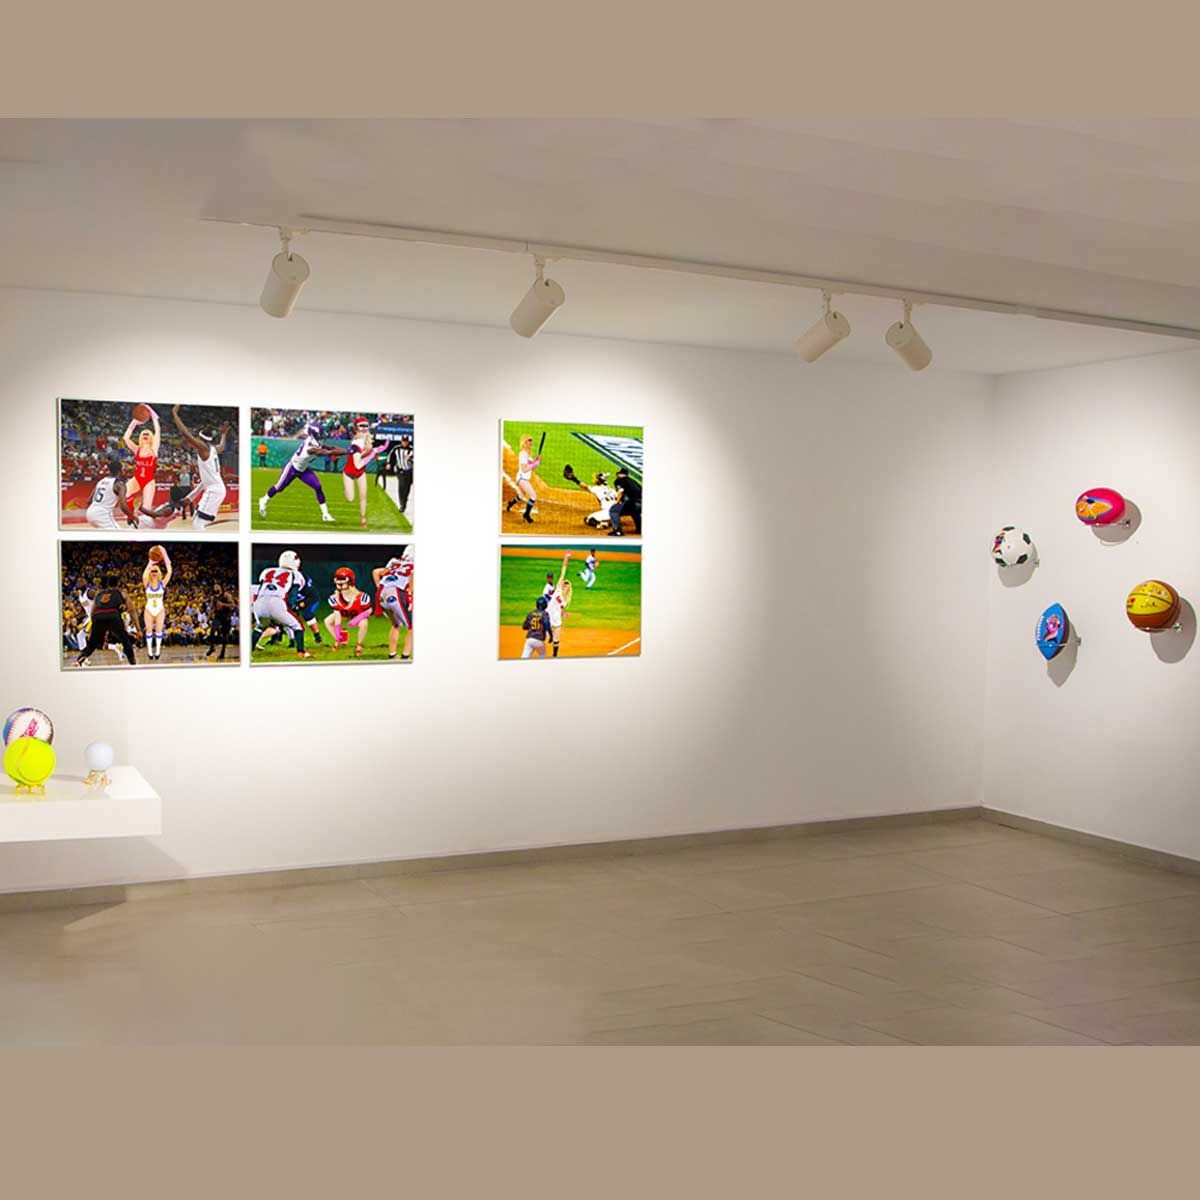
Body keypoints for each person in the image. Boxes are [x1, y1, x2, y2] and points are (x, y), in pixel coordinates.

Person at [258, 423, 343, 523]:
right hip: (292, 468)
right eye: (320, 433)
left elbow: (330, 448)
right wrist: (345, 452)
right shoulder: (310, 447)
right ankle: (264, 500)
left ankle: (325, 514)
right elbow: (327, 452)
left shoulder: (315, 441)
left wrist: (346, 451)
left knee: (318, 486)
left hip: (304, 469)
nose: (322, 435)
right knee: (278, 487)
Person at [172, 406, 230, 531]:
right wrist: (190, 498)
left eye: (197, 438)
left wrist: (175, 413)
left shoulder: (203, 448)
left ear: (200, 438)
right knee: (197, 521)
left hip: (214, 491)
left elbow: (185, 433)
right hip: (216, 488)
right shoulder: (213, 449)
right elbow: (221, 447)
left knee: (197, 523)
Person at [251, 550, 311, 658]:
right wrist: (293, 606)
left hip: (259, 602)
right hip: (277, 602)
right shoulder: (296, 575)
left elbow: (260, 589)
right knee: (298, 626)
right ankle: (301, 652)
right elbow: (292, 596)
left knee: (260, 627)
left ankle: (249, 651)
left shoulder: (267, 571)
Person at [76, 574, 138, 666]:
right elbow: (84, 609)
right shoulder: (80, 596)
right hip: (100, 616)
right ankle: (124, 654)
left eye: (81, 581)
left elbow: (98, 602)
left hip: (95, 616)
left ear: (86, 582)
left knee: (85, 637)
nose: (79, 583)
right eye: (78, 581)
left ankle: (83, 657)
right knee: (103, 642)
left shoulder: (91, 592)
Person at [343, 418, 385, 529]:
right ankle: (346, 489)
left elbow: (362, 459)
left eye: (366, 425)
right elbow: (357, 465)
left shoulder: (367, 441)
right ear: (356, 427)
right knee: (350, 498)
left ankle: (363, 519)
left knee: (363, 496)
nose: (365, 428)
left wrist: (373, 452)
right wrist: (371, 453)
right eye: (362, 425)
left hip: (361, 472)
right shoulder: (356, 443)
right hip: (349, 472)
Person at [372, 548, 413, 660]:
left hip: (382, 593)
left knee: (396, 624)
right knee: (412, 627)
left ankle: (392, 654)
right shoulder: (413, 564)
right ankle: (405, 656)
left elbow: (376, 572)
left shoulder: (395, 561)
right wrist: (410, 592)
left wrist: (379, 587)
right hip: (397, 592)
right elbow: (412, 574)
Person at [325, 567, 373, 657]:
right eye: (338, 581)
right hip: (343, 614)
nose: (340, 584)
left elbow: (369, 610)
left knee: (364, 623)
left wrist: (358, 619)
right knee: (328, 621)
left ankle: (359, 645)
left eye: (342, 581)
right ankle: (339, 639)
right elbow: (337, 615)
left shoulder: (361, 596)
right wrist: (337, 631)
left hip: (357, 614)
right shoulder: (334, 598)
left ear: (350, 581)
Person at [122, 406, 161, 514]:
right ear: (140, 437)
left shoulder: (154, 449)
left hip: (149, 480)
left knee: (146, 508)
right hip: (137, 478)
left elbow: (157, 431)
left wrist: (153, 416)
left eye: (148, 434)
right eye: (143, 433)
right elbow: (125, 438)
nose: (145, 435)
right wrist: (134, 422)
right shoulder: (137, 449)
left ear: (151, 438)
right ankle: (131, 515)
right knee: (125, 494)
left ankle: (144, 520)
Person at [85, 460, 138, 530]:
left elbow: (89, 501)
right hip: (102, 514)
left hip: (90, 512)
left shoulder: (101, 481)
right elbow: (123, 506)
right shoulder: (119, 485)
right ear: (120, 470)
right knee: (118, 534)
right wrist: (132, 516)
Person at [141, 548, 173, 661]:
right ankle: (150, 651)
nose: (154, 573)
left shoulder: (162, 584)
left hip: (160, 609)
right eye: (152, 571)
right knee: (149, 630)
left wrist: (164, 555)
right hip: (149, 609)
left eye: (156, 571)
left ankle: (158, 650)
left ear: (159, 573)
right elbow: (144, 575)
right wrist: (151, 562)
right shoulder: (147, 583)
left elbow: (169, 572)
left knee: (159, 631)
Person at [505, 433, 541, 524]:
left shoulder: (527, 454)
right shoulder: (523, 454)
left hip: (524, 478)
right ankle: (526, 514)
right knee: (533, 496)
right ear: (524, 443)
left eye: (531, 441)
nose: (531, 443)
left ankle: (510, 504)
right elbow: (524, 469)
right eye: (529, 441)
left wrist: (535, 462)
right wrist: (534, 464)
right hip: (522, 478)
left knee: (521, 495)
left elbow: (530, 467)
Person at [205, 580, 237, 660]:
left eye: (217, 586)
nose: (215, 588)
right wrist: (208, 618)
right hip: (217, 616)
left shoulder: (226, 595)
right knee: (212, 631)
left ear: (220, 587)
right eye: (214, 587)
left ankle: (222, 653)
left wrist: (223, 605)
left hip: (226, 617)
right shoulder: (213, 597)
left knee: (224, 636)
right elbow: (212, 608)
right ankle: (212, 647)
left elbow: (233, 605)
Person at [607, 467, 642, 536]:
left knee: (614, 510)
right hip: (642, 504)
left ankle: (617, 531)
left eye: (617, 474)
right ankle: (640, 529)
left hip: (633, 503)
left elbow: (621, 491)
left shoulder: (619, 480)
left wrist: (617, 502)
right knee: (634, 512)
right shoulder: (633, 481)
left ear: (619, 474)